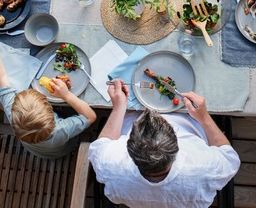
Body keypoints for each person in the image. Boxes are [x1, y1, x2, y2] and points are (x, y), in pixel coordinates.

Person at [88, 80, 239, 208]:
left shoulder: (109, 163)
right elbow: (229, 156)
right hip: (189, 116)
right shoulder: (206, 168)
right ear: (176, 146)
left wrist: (119, 107)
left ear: (129, 149)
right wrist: (204, 117)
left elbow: (102, 144)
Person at [0, 17, 96, 158]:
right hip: (62, 151)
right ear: (51, 112)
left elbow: (0, 75)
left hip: (34, 150)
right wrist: (67, 96)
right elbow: (91, 116)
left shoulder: (12, 112)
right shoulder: (60, 130)